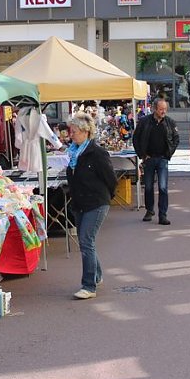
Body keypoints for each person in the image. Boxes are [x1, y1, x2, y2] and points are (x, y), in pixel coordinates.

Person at [65, 112, 117, 300]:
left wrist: (107, 197)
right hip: (80, 203)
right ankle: (97, 275)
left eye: (75, 131)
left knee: (86, 241)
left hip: (96, 202)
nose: (71, 135)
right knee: (86, 241)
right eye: (71, 131)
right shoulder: (73, 153)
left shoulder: (97, 153)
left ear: (86, 132)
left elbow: (111, 178)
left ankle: (89, 286)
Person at [132, 97, 180, 226]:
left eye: (165, 109)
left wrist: (169, 153)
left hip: (163, 159)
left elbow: (176, 139)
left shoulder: (170, 122)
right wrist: (142, 154)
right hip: (149, 159)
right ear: (154, 109)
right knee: (148, 187)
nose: (163, 111)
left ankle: (162, 215)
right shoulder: (144, 122)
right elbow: (135, 138)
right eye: (161, 109)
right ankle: (149, 210)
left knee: (163, 187)